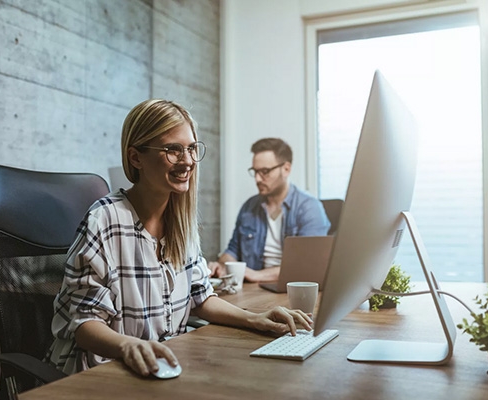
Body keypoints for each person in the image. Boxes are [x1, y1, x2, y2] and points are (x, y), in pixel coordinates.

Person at [46, 99, 312, 378]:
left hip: (162, 367)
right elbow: (85, 322)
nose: (187, 160)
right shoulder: (105, 220)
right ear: (136, 158)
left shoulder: (181, 221)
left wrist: (255, 319)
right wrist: (128, 346)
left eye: (191, 149)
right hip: (101, 373)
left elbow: (200, 297)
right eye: (173, 150)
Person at [208, 138, 330, 283]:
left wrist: (256, 275)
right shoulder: (249, 207)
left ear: (286, 169)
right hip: (253, 290)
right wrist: (223, 265)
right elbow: (232, 251)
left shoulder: (309, 208)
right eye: (255, 171)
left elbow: (308, 266)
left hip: (290, 290)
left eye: (265, 171)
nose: (258, 179)